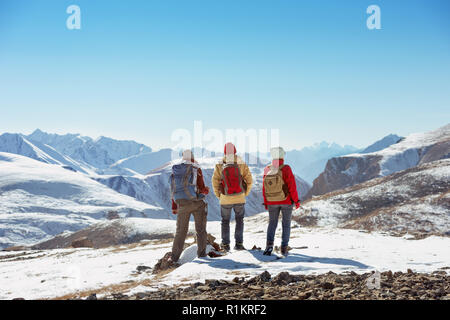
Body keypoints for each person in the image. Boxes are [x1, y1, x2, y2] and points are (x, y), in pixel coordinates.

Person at [169, 150, 210, 263]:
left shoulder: (176, 171)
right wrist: (206, 191)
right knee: (200, 230)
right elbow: (201, 188)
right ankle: (202, 255)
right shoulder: (196, 169)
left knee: (180, 232)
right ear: (192, 157)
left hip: (182, 204)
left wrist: (174, 206)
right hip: (197, 203)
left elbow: (173, 190)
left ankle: (174, 258)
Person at [212, 142, 253, 251]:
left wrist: (219, 195)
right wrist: (245, 193)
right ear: (235, 150)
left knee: (225, 221)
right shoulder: (241, 163)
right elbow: (249, 179)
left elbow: (215, 181)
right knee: (239, 220)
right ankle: (239, 244)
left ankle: (225, 245)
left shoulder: (220, 164)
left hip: (225, 198)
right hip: (240, 197)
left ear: (225, 151)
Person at [262, 147, 300, 256]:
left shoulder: (267, 169)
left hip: (271, 202)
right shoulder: (286, 168)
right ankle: (284, 248)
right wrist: (296, 201)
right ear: (282, 156)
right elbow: (292, 186)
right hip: (286, 201)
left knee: (272, 223)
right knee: (286, 224)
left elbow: (264, 188)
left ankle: (269, 246)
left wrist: (266, 202)